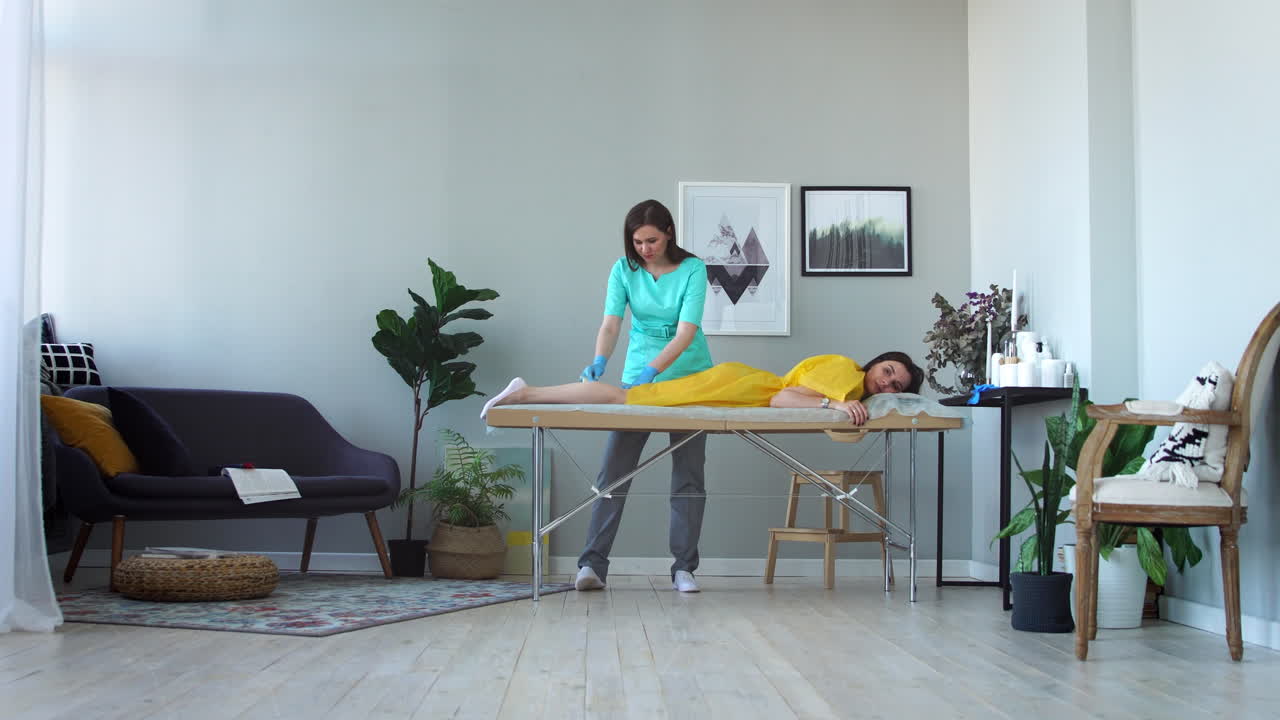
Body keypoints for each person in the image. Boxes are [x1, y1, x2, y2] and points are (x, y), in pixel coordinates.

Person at [567, 199, 715, 594]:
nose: (644, 248)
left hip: (689, 380)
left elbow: (686, 332)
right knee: (613, 474)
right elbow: (612, 323)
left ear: (669, 232)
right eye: (637, 242)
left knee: (688, 476)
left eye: (651, 240)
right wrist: (600, 359)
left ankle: (684, 568)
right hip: (637, 380)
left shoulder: (693, 269)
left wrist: (656, 370)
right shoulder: (624, 270)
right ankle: (592, 565)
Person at [481, 351, 924, 426]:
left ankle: (528, 392)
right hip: (739, 384)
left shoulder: (851, 388)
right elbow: (779, 398)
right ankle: (526, 392)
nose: (887, 382)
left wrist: (843, 407)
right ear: (875, 362)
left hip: (735, 386)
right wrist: (837, 405)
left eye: (895, 384)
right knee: (623, 397)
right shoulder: (846, 373)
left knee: (623, 397)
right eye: (888, 371)